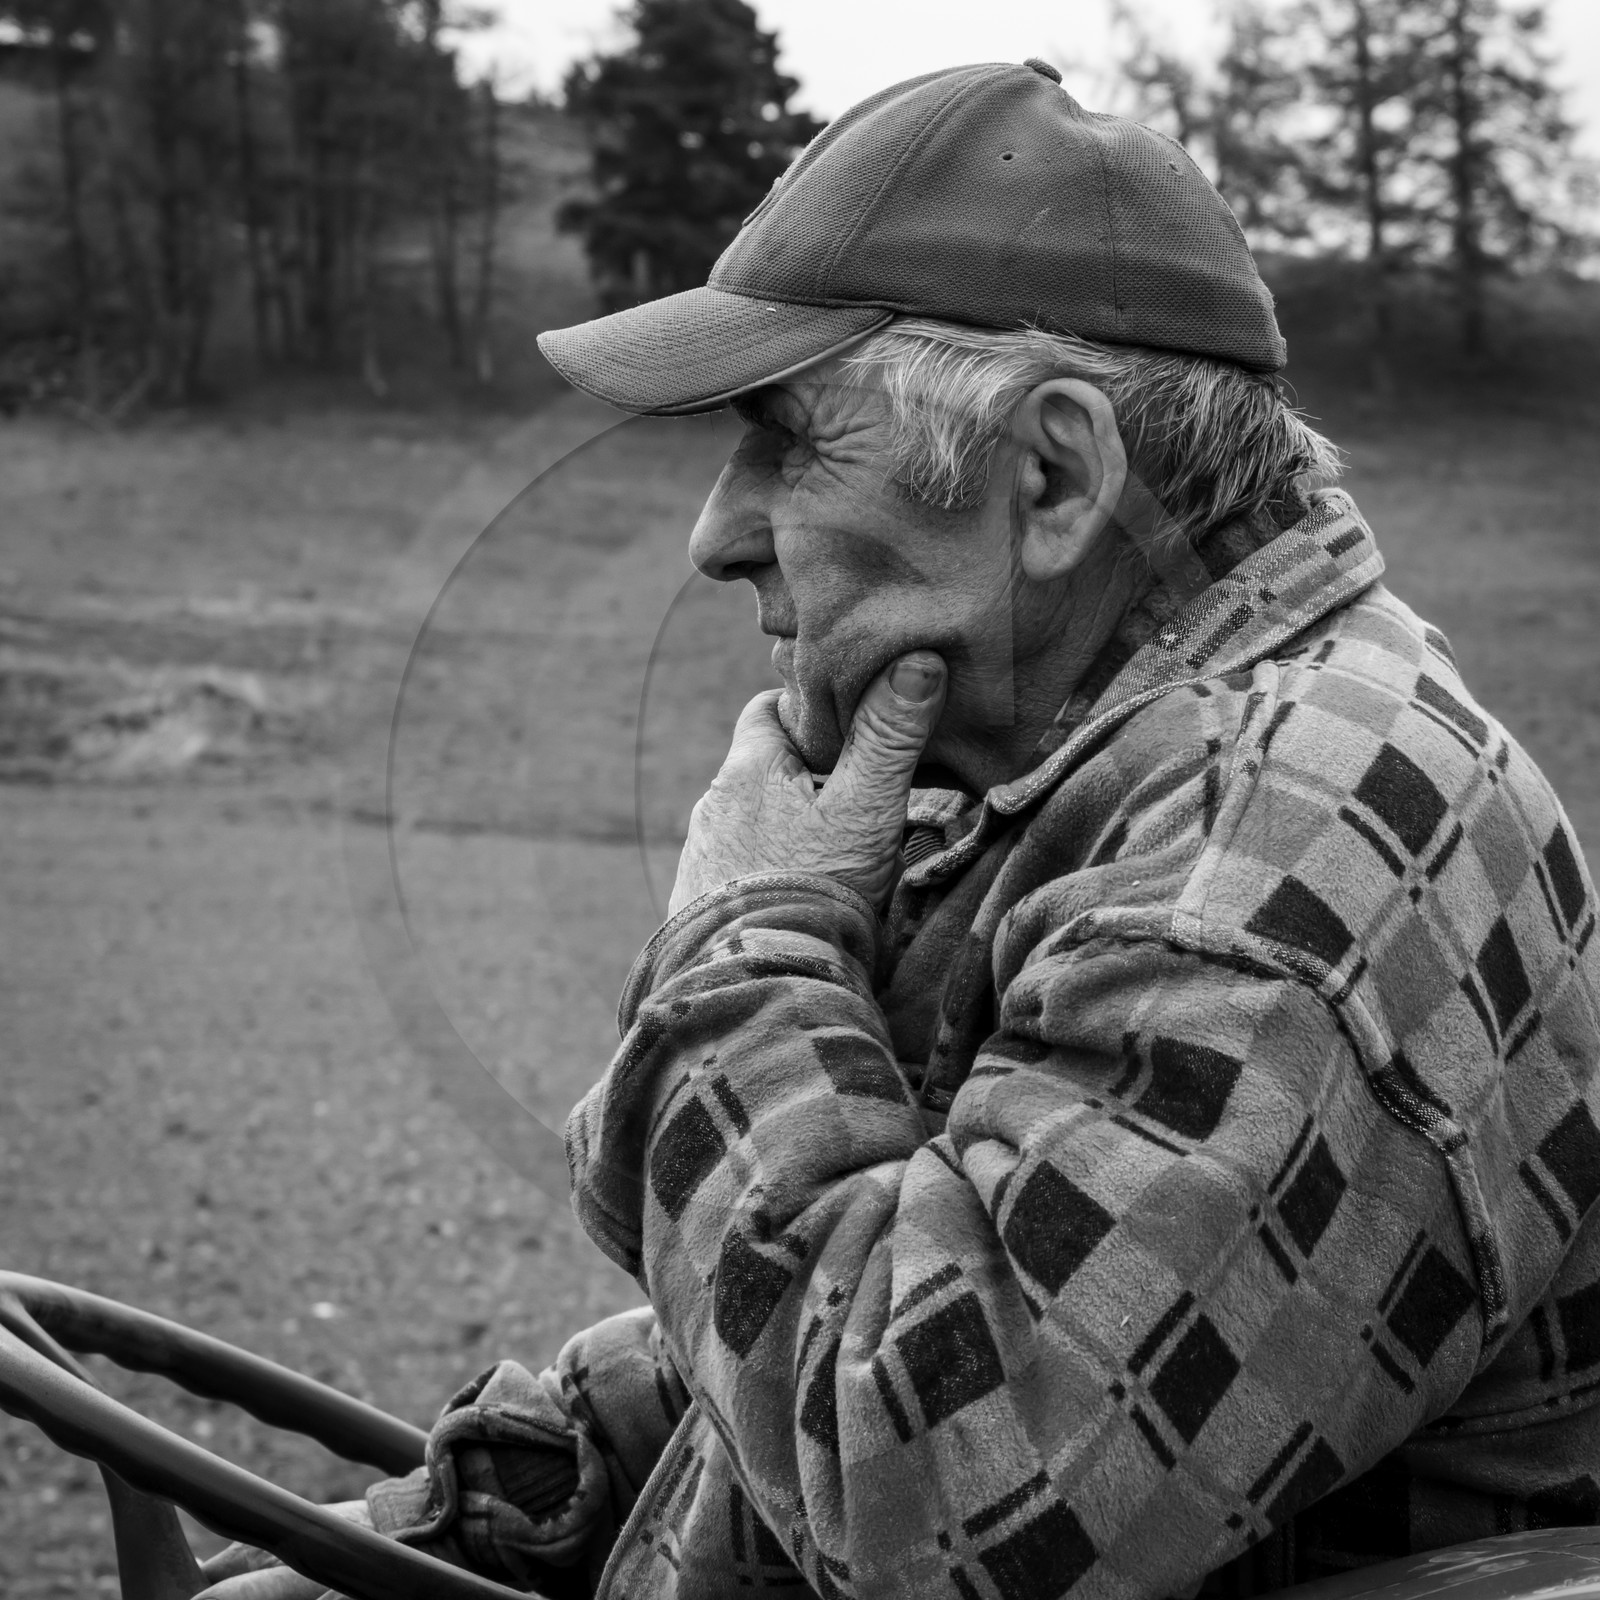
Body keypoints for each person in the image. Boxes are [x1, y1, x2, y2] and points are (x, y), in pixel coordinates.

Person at [202, 60, 1600, 1600]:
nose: (715, 531)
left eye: (787, 441)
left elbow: (917, 1493)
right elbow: (911, 1246)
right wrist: (548, 1469)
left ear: (1054, 476)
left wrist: (745, 944)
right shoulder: (1122, 767)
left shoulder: (1261, 862)